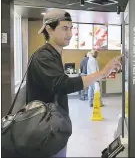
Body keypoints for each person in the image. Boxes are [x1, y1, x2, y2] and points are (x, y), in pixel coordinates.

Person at [25, 9, 122, 157]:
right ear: (49, 29)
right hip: (45, 133)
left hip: (54, 128)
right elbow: (64, 84)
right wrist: (102, 73)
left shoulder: (53, 54)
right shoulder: (43, 57)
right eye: (64, 28)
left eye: (71, 28)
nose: (70, 34)